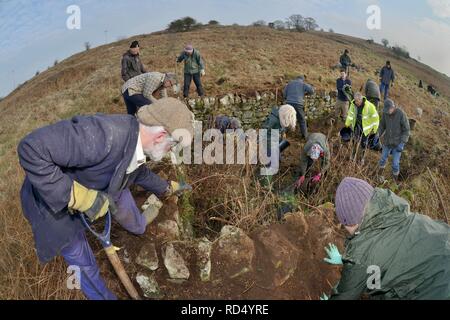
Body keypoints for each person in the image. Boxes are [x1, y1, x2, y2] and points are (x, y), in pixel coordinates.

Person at [17, 98, 195, 300]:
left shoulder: (136, 144)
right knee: (83, 263)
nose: (169, 152)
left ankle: (138, 226)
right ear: (161, 136)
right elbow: (31, 149)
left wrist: (168, 187)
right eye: (171, 147)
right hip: (51, 206)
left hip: (102, 186)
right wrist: (79, 198)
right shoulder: (104, 134)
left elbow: (140, 173)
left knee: (123, 196)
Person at [322, 177, 450, 300]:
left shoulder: (364, 252)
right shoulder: (394, 210)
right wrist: (348, 260)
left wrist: (355, 262)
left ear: (350, 222)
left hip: (438, 290)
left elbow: (347, 295)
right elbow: (385, 261)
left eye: (345, 224)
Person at [378, 99, 410, 181]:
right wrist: (378, 134)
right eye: (386, 110)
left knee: (395, 164)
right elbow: (382, 125)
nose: (387, 112)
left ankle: (394, 181)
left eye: (389, 110)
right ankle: (379, 176)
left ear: (393, 107)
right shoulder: (385, 113)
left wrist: (402, 143)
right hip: (387, 141)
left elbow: (406, 130)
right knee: (382, 159)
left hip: (397, 143)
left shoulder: (401, 114)